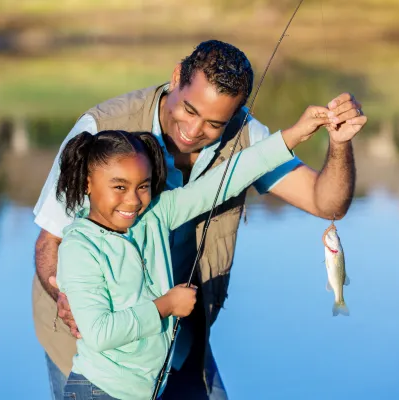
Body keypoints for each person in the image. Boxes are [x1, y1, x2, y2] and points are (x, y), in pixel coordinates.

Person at [32, 39, 367, 400]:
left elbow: (263, 181)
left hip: (172, 348)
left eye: (214, 123)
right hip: (98, 372)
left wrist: (315, 137)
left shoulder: (160, 206)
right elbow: (50, 242)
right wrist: (68, 298)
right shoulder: (100, 130)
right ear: (176, 77)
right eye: (189, 110)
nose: (193, 130)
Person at [54, 124, 324, 399]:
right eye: (119, 186)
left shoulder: (156, 214)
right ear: (88, 182)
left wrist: (293, 136)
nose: (133, 200)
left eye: (143, 186)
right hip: (98, 391)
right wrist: (166, 305)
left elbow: (224, 181)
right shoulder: (80, 247)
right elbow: (100, 333)